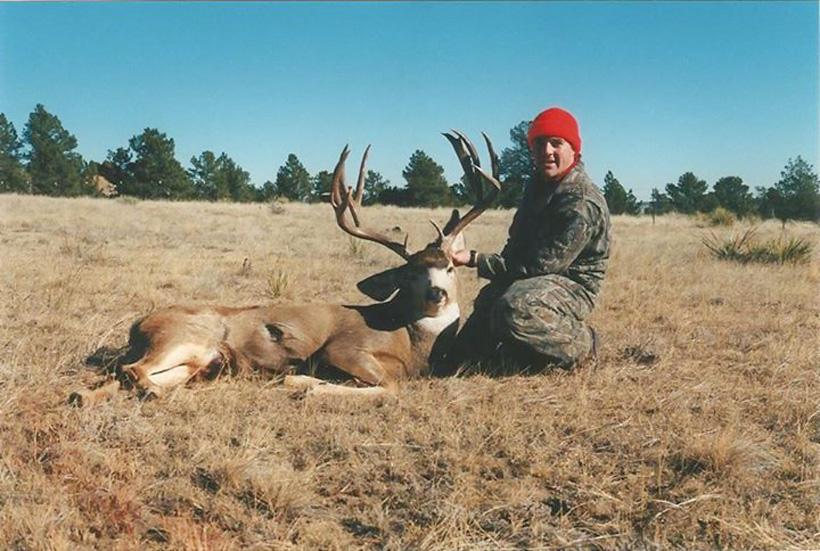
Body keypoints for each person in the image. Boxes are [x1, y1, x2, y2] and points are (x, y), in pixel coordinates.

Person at [447, 107, 611, 372]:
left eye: (556, 143)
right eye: (539, 143)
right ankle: (515, 352)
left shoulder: (580, 202)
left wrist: (475, 259)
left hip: (573, 285)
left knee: (515, 306)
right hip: (534, 279)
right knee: (482, 314)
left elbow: (540, 266)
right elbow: (516, 245)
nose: (547, 151)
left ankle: (584, 344)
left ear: (574, 150)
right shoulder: (537, 186)